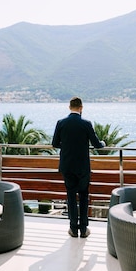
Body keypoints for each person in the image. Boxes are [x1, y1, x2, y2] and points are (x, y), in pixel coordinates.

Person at [52, 96, 105, 238]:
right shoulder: (86, 124)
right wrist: (103, 143)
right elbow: (96, 144)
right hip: (82, 167)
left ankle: (73, 229)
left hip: (67, 166)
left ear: (70, 107)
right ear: (81, 108)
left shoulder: (61, 123)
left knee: (70, 196)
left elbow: (55, 144)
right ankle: (83, 229)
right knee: (83, 196)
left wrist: (68, 146)